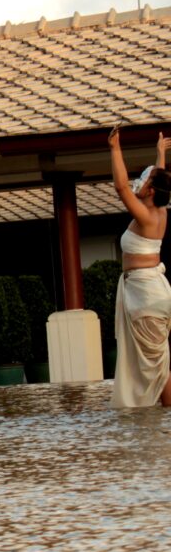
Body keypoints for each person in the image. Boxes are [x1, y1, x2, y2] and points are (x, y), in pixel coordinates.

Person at [108, 128, 171, 407]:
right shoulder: (159, 209)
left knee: (158, 364)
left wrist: (114, 148)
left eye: (145, 179)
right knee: (157, 362)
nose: (140, 181)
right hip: (148, 293)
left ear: (151, 191)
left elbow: (121, 187)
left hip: (147, 296)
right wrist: (160, 153)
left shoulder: (146, 215)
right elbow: (160, 178)